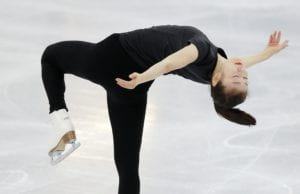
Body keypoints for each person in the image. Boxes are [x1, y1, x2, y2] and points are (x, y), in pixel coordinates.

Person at [40, 24, 288, 193]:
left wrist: (142, 76)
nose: (242, 72)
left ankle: (60, 121)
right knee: (128, 169)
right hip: (133, 89)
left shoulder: (202, 48)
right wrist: (266, 54)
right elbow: (238, 64)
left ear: (216, 81)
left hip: (112, 59)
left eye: (237, 78)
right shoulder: (213, 72)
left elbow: (170, 62)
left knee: (51, 57)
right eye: (244, 78)